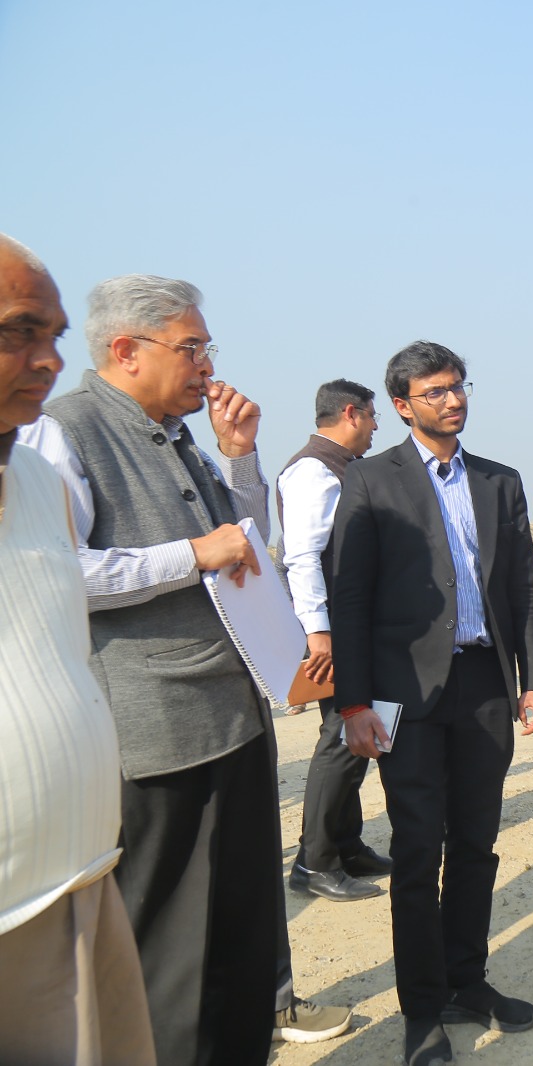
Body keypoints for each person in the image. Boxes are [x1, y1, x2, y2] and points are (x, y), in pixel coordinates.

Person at [20, 274, 289, 1064]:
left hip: (233, 718)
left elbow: (245, 555)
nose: (208, 365)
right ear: (127, 350)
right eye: (192, 347)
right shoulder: (63, 433)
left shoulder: (179, 436)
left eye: (207, 347)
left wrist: (241, 462)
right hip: (158, 735)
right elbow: (64, 573)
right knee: (175, 957)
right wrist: (190, 554)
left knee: (243, 934)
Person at [330, 341, 533, 1066]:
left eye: (458, 387)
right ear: (402, 405)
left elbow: (523, 589)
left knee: (477, 844)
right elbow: (350, 597)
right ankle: (422, 1009)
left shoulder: (499, 481)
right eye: (435, 392)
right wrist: (353, 703)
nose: (452, 400)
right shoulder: (371, 481)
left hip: (484, 685)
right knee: (419, 849)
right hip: (406, 693)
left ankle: (467, 980)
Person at [0, 234, 158, 1066]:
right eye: (18, 331)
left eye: (53, 335)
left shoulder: (36, 482)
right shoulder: (72, 438)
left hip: (81, 878)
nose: (49, 360)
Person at [281, 379, 391, 904]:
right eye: (372, 416)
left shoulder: (341, 467)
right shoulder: (314, 470)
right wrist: (319, 632)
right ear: (351, 413)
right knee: (343, 739)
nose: (375, 427)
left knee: (354, 737)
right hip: (336, 629)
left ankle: (345, 845)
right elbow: (303, 557)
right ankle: (315, 862)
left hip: (353, 624)